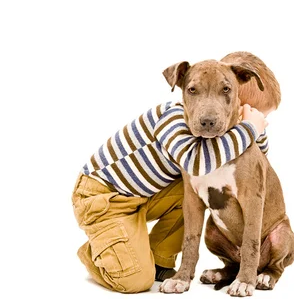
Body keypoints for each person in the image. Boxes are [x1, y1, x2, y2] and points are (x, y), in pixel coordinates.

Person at [71, 51, 281, 293]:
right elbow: (197, 164)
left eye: (224, 93)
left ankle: (152, 255)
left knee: (201, 193)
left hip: (147, 196)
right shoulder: (172, 118)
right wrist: (249, 129)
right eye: (195, 91)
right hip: (101, 195)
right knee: (136, 280)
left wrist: (255, 126)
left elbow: (258, 154)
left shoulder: (236, 129)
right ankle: (99, 252)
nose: (209, 113)